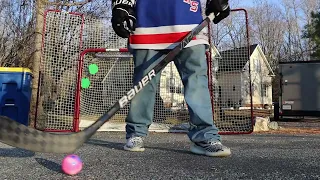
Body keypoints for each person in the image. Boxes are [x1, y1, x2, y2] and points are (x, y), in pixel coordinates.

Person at [111, 0, 231, 157]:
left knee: (197, 83)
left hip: (189, 25)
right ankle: (136, 133)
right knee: (143, 86)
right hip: (146, 27)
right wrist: (121, 4)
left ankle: (205, 136)